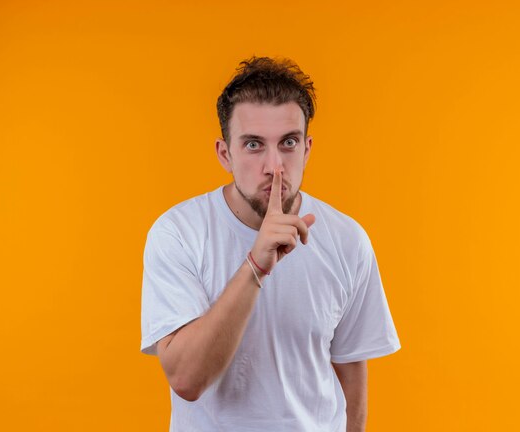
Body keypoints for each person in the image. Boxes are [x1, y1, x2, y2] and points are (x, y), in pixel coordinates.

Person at [140, 56, 401, 432]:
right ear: (224, 154)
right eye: (253, 145)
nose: (274, 165)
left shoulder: (347, 240)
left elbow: (351, 377)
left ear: (307, 149)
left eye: (289, 143)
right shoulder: (178, 233)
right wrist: (255, 266)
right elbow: (186, 380)